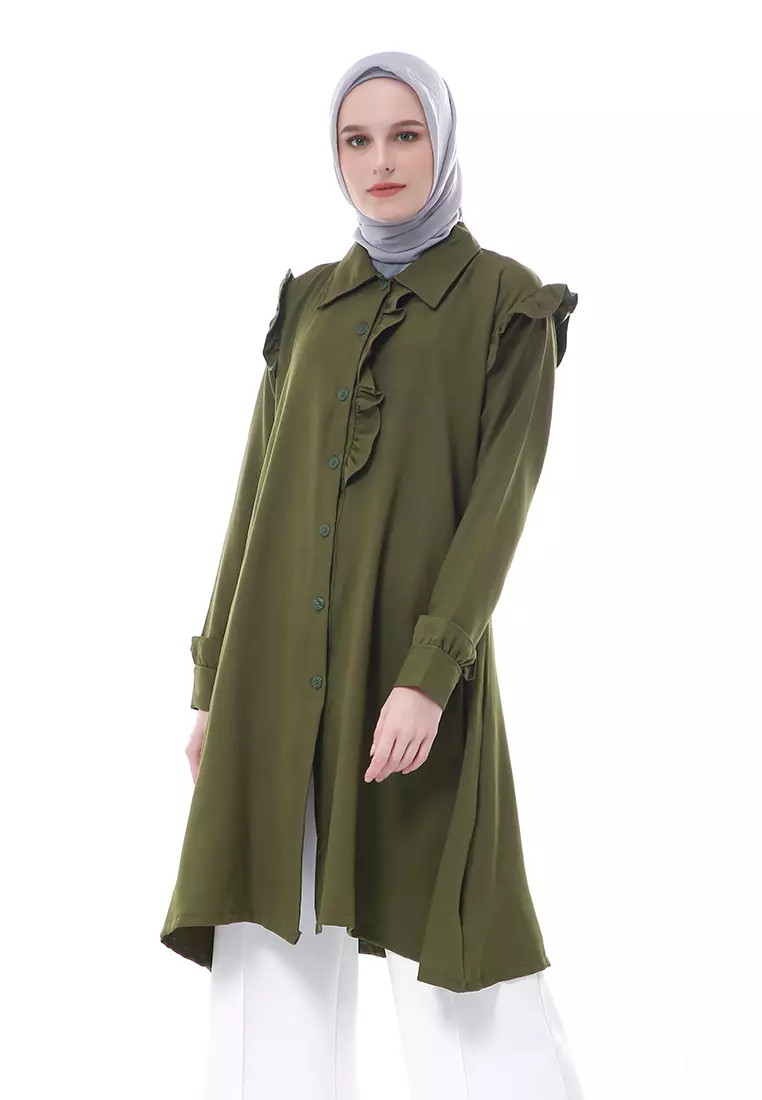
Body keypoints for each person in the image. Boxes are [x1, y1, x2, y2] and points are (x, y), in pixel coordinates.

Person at [160, 50, 584, 1099]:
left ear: (443, 142)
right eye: (357, 139)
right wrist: (213, 681)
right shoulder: (310, 304)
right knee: (269, 957)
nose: (381, 160)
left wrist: (429, 675)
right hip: (271, 673)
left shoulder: (509, 304)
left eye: (406, 135)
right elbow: (253, 497)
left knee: (461, 966)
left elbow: (497, 512)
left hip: (409, 676)